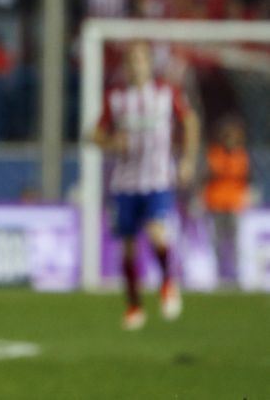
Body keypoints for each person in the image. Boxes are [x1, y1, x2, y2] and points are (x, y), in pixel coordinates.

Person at [91, 41, 200, 330]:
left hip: (157, 178)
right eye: (130, 61)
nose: (135, 66)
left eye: (140, 60)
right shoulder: (115, 98)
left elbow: (190, 121)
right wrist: (111, 142)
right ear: (125, 67)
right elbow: (95, 135)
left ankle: (168, 283)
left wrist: (188, 160)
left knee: (156, 233)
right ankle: (134, 306)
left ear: (150, 64)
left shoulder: (166, 93)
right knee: (128, 247)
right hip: (125, 182)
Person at [203, 114, 251, 285]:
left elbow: (245, 179)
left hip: (234, 203)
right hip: (216, 202)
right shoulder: (215, 153)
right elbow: (211, 174)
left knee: (235, 242)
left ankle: (236, 275)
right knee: (217, 241)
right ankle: (219, 275)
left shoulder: (241, 155)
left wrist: (246, 197)